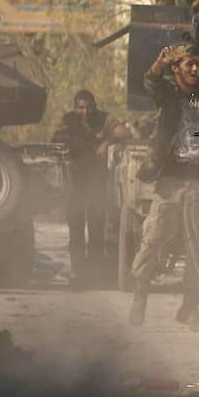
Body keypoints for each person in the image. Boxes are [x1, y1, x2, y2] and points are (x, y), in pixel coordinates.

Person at [128, 45, 199, 331]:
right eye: (189, 64)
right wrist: (158, 64)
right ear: (176, 68)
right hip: (170, 181)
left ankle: (190, 309)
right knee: (154, 238)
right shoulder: (167, 94)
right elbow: (150, 82)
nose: (195, 69)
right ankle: (140, 297)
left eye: (197, 65)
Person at [53, 90, 115, 287]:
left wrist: (106, 141)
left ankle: (95, 274)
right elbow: (56, 141)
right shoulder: (68, 120)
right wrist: (81, 142)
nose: (85, 111)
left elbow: (124, 130)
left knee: (97, 228)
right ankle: (79, 273)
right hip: (75, 182)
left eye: (88, 107)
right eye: (81, 107)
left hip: (96, 182)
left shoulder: (104, 118)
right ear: (75, 107)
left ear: (94, 106)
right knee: (76, 230)